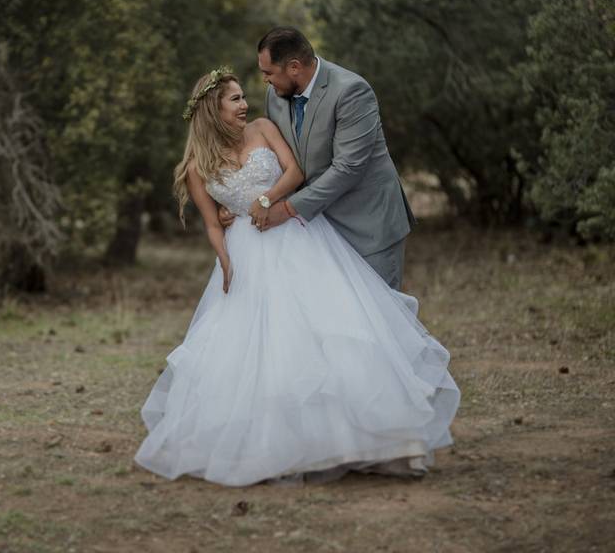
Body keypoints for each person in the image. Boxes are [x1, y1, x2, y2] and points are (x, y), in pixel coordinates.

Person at [132, 66, 460, 487]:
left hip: (295, 235)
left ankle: (376, 441)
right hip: (246, 255)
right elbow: (212, 222)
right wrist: (225, 260)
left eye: (242, 97)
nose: (245, 104)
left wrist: (267, 199)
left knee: (332, 329)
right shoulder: (198, 165)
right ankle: (281, 445)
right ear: (213, 109)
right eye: (234, 99)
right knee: (261, 346)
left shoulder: (265, 128)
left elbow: (295, 173)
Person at [217, 27, 416, 290]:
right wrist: (237, 202)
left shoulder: (351, 92)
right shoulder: (275, 96)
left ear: (294, 67)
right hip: (315, 233)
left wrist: (287, 209)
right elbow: (277, 160)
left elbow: (348, 168)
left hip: (368, 224)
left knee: (380, 320)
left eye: (268, 73)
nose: (264, 80)